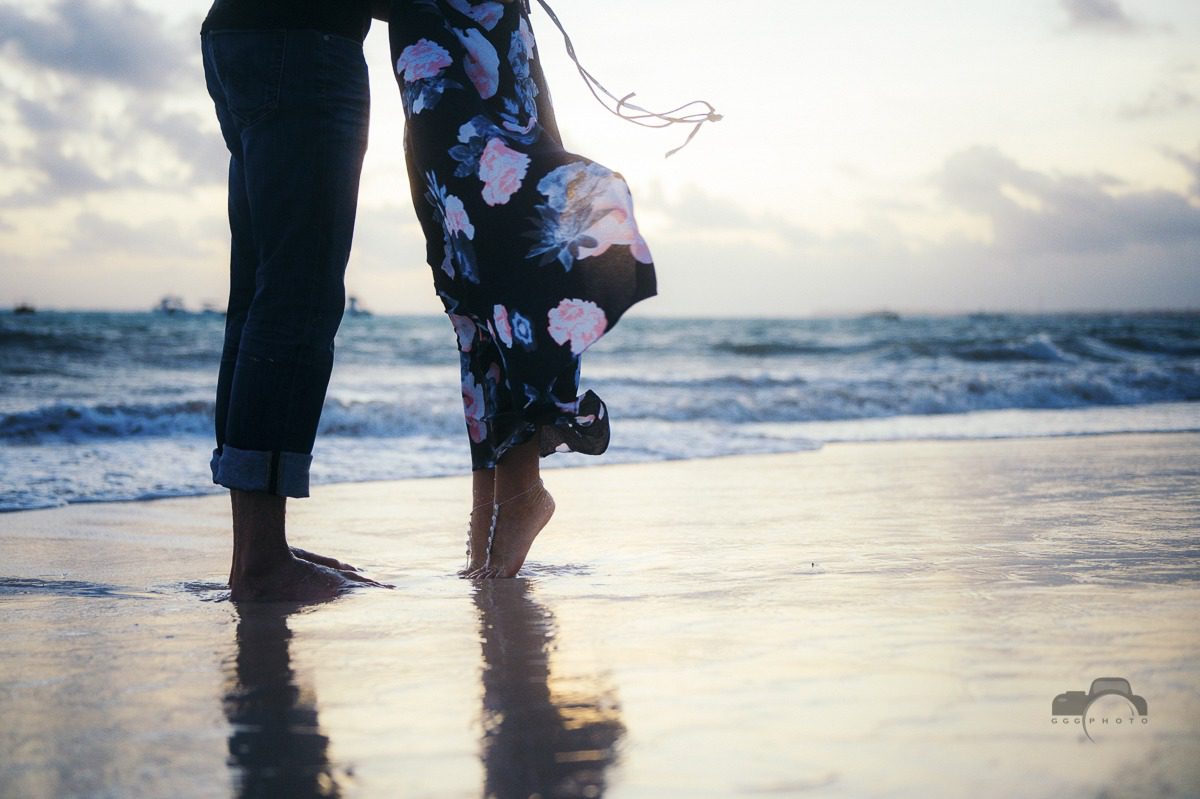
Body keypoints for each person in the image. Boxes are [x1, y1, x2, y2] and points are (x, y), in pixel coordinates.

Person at [388, 0, 658, 578]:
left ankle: (518, 493)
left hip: (479, 24)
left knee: (499, 240)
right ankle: (491, 505)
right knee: (461, 270)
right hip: (424, 43)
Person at [201, 0, 390, 600]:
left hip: (244, 36)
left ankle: (255, 550)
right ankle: (261, 559)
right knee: (296, 299)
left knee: (262, 296)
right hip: (304, 41)